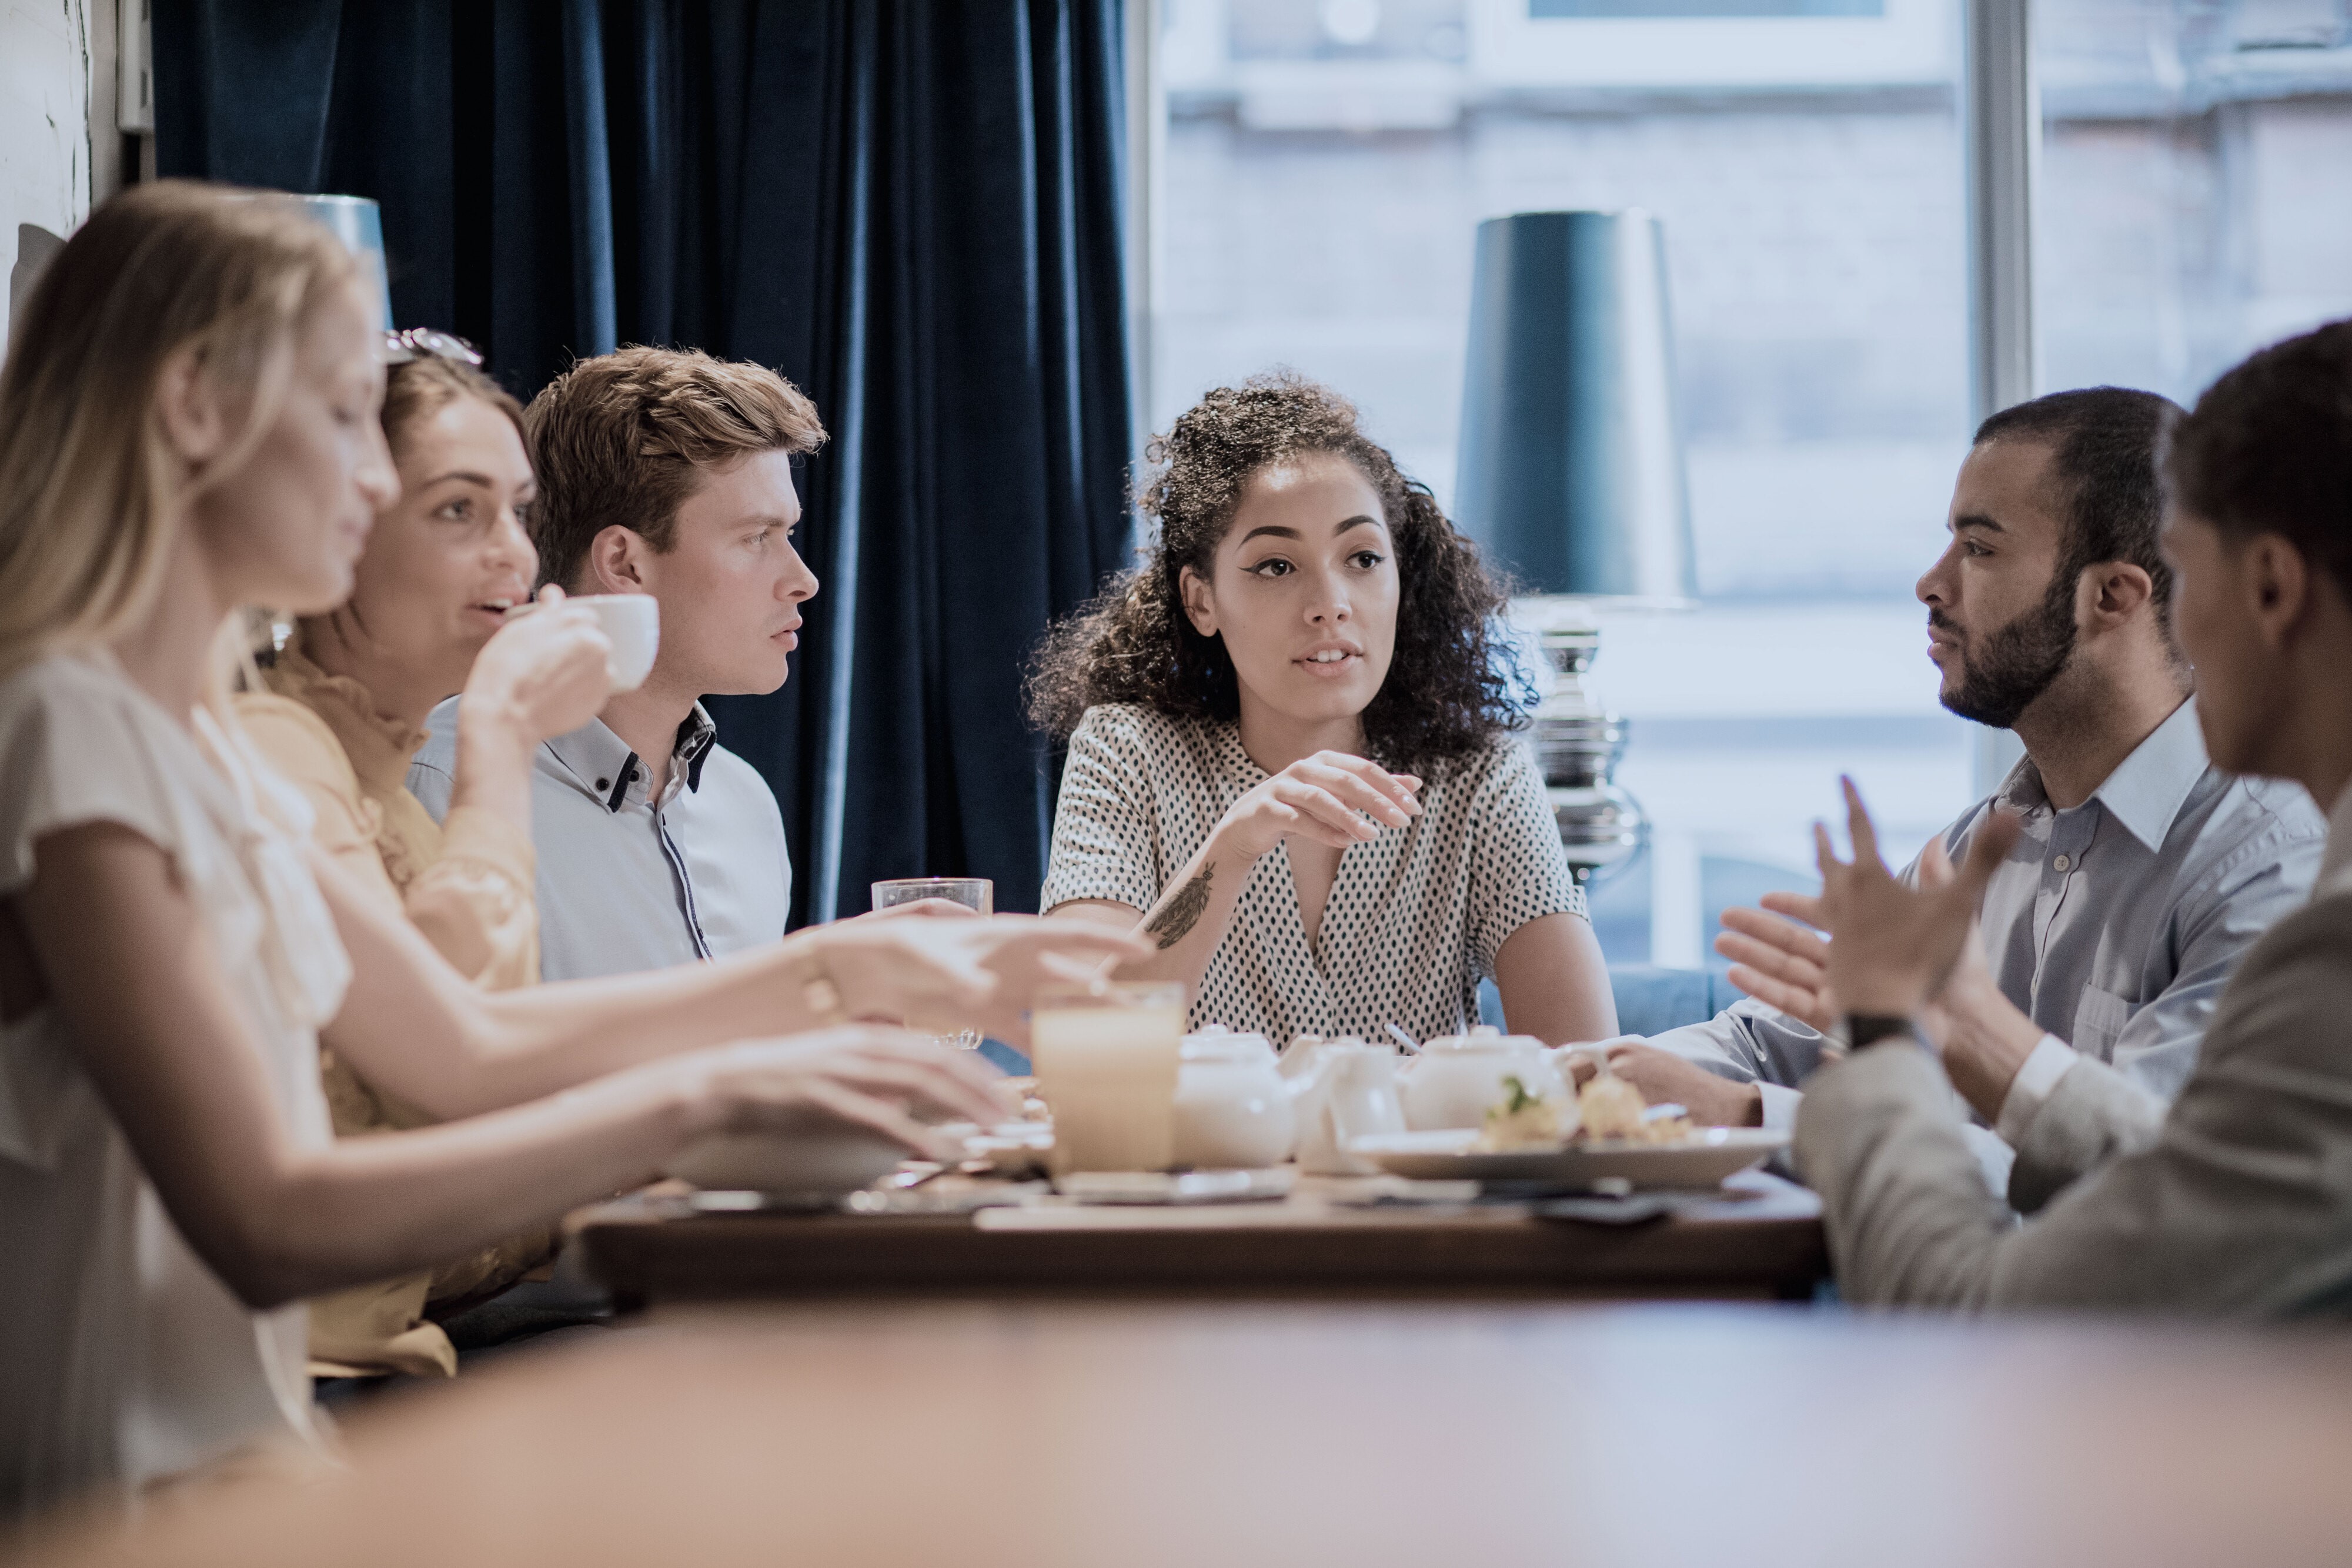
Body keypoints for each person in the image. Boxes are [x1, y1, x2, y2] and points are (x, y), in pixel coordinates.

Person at [0, 182, 1140, 1523]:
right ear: (195, 405)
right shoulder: (72, 727)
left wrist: (854, 967)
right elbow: (271, 1220)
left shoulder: (192, 740)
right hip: (133, 1512)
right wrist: (708, 1100)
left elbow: (466, 1047)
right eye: (339, 416)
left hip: (261, 1474)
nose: (370, 478)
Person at [1612, 387, 2324, 1211]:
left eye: (1979, 549)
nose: (1930, 582)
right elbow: (1783, 1040)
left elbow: (2137, 1183)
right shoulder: (1975, 845)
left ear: (2112, 597)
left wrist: (1750, 1117)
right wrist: (1583, 1074)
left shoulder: (2264, 869)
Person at [1793, 319, 2352, 1310]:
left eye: (2186, 571)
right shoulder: (1989, 834)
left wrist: (1883, 1040)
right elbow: (2193, 1185)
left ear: (2271, 586)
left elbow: (1976, 1312)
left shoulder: (2325, 938)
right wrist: (1960, 1027)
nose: (2171, 620)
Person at [1029, 372, 1616, 1047]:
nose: (1331, 603)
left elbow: (1591, 1068)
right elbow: (1081, 1045)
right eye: (1276, 566)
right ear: (1201, 600)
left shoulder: (1481, 778)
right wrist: (1232, 848)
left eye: (1362, 558)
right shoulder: (1126, 752)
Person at [235, 344, 616, 1380]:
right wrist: (502, 734)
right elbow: (452, 1081)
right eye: (458, 510)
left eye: (519, 512)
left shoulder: (398, 797)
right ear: (335, 532)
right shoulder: (271, 751)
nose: (515, 556)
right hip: (300, 1387)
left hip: (396, 1362)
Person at [410, 346, 814, 981]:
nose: (804, 581)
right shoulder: (435, 789)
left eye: (788, 534)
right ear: (624, 563)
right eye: (756, 537)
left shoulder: (746, 806)